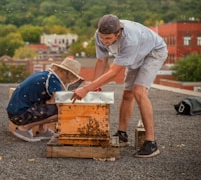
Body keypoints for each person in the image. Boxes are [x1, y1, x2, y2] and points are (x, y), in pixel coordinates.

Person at [71, 14, 168, 158]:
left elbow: (113, 72)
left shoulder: (130, 40)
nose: (104, 41)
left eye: (108, 38)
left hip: (153, 52)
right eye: (102, 37)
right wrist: (94, 88)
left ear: (118, 33)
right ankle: (122, 135)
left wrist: (86, 88)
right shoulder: (99, 35)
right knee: (127, 93)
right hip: (136, 55)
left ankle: (151, 143)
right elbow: (101, 61)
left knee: (139, 92)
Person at [6, 57, 84, 142]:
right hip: (19, 115)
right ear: (65, 72)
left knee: (48, 102)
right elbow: (61, 105)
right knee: (62, 112)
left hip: (15, 112)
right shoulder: (53, 81)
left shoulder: (47, 75)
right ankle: (24, 128)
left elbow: (49, 100)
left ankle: (43, 130)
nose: (71, 80)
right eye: (72, 76)